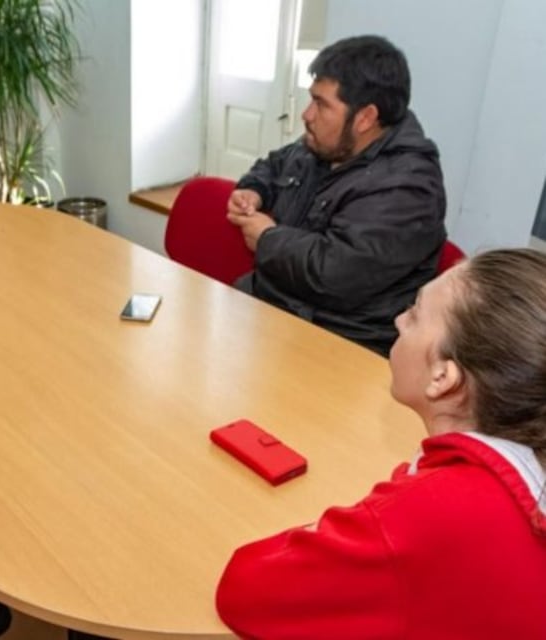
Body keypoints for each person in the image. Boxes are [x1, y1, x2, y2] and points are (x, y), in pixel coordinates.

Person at [215, 248, 546, 638]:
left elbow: (247, 589)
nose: (398, 320)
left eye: (415, 313)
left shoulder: (437, 509)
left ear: (443, 379)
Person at [227, 35, 446, 355]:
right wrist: (254, 190)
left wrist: (266, 238)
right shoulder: (324, 144)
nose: (307, 114)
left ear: (365, 118)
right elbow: (274, 166)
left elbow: (334, 275)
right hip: (276, 312)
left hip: (339, 342)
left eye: (321, 104)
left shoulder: (408, 188)